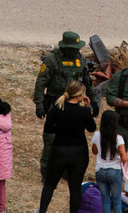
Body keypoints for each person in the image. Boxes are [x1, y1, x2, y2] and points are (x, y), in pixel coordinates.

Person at [33, 31, 99, 180]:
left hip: (74, 104)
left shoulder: (80, 60)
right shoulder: (51, 60)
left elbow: (87, 81)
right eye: (73, 48)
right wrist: (39, 104)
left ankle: (68, 171)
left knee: (72, 138)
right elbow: (40, 83)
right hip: (55, 104)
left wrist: (94, 102)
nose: (76, 51)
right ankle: (47, 172)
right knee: (51, 139)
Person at [38, 81, 97, 213]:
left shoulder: (57, 109)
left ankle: (42, 210)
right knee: (75, 188)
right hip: (79, 152)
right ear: (80, 95)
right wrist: (88, 109)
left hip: (59, 150)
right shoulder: (83, 111)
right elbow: (92, 128)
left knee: (49, 185)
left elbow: (48, 129)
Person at [91, 110, 128, 213]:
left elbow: (94, 151)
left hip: (100, 170)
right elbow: (124, 158)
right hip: (114, 171)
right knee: (116, 201)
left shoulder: (97, 135)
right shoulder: (118, 138)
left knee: (105, 200)